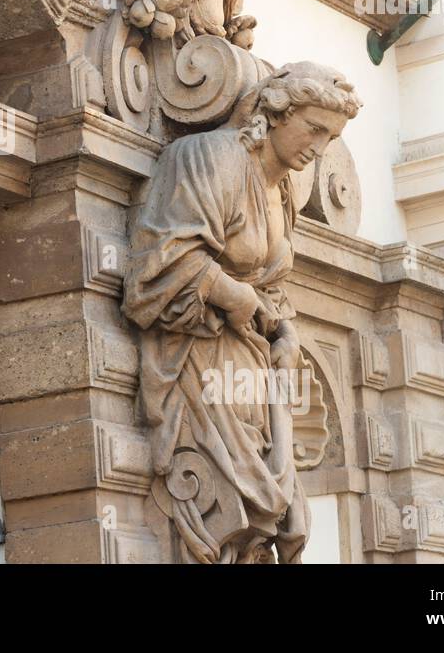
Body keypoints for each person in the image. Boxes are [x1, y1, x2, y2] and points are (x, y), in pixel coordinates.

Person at [122, 62, 361, 563]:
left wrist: (287, 332)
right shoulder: (211, 158)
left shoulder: (282, 191)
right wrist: (239, 298)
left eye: (331, 136)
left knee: (277, 522)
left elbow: (272, 287)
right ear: (276, 111)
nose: (319, 147)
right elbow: (162, 264)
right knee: (220, 506)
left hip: (254, 370)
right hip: (199, 358)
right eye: (314, 128)